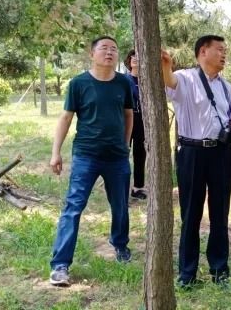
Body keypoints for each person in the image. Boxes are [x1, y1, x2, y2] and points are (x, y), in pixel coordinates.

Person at [48, 36, 134, 287]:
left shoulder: (124, 83)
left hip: (117, 156)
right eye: (104, 48)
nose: (109, 52)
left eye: (113, 49)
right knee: (73, 207)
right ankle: (60, 265)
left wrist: (125, 144)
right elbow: (66, 118)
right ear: (92, 54)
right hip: (86, 155)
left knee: (120, 205)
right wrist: (56, 152)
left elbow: (128, 115)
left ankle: (120, 245)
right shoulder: (79, 83)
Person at [162, 35, 231, 287]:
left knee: (220, 212)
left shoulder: (226, 86)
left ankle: (220, 271)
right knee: (190, 213)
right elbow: (169, 82)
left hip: (222, 153)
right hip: (192, 152)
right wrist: (166, 65)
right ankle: (187, 274)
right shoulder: (186, 78)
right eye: (219, 49)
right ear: (203, 52)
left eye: (225, 50)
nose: (224, 54)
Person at [124, 49, 147, 200]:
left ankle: (138, 188)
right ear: (129, 61)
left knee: (140, 153)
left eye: (138, 56)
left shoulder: (146, 81)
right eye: (132, 56)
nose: (135, 58)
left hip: (141, 120)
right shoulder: (124, 80)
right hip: (125, 118)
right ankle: (122, 189)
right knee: (123, 152)